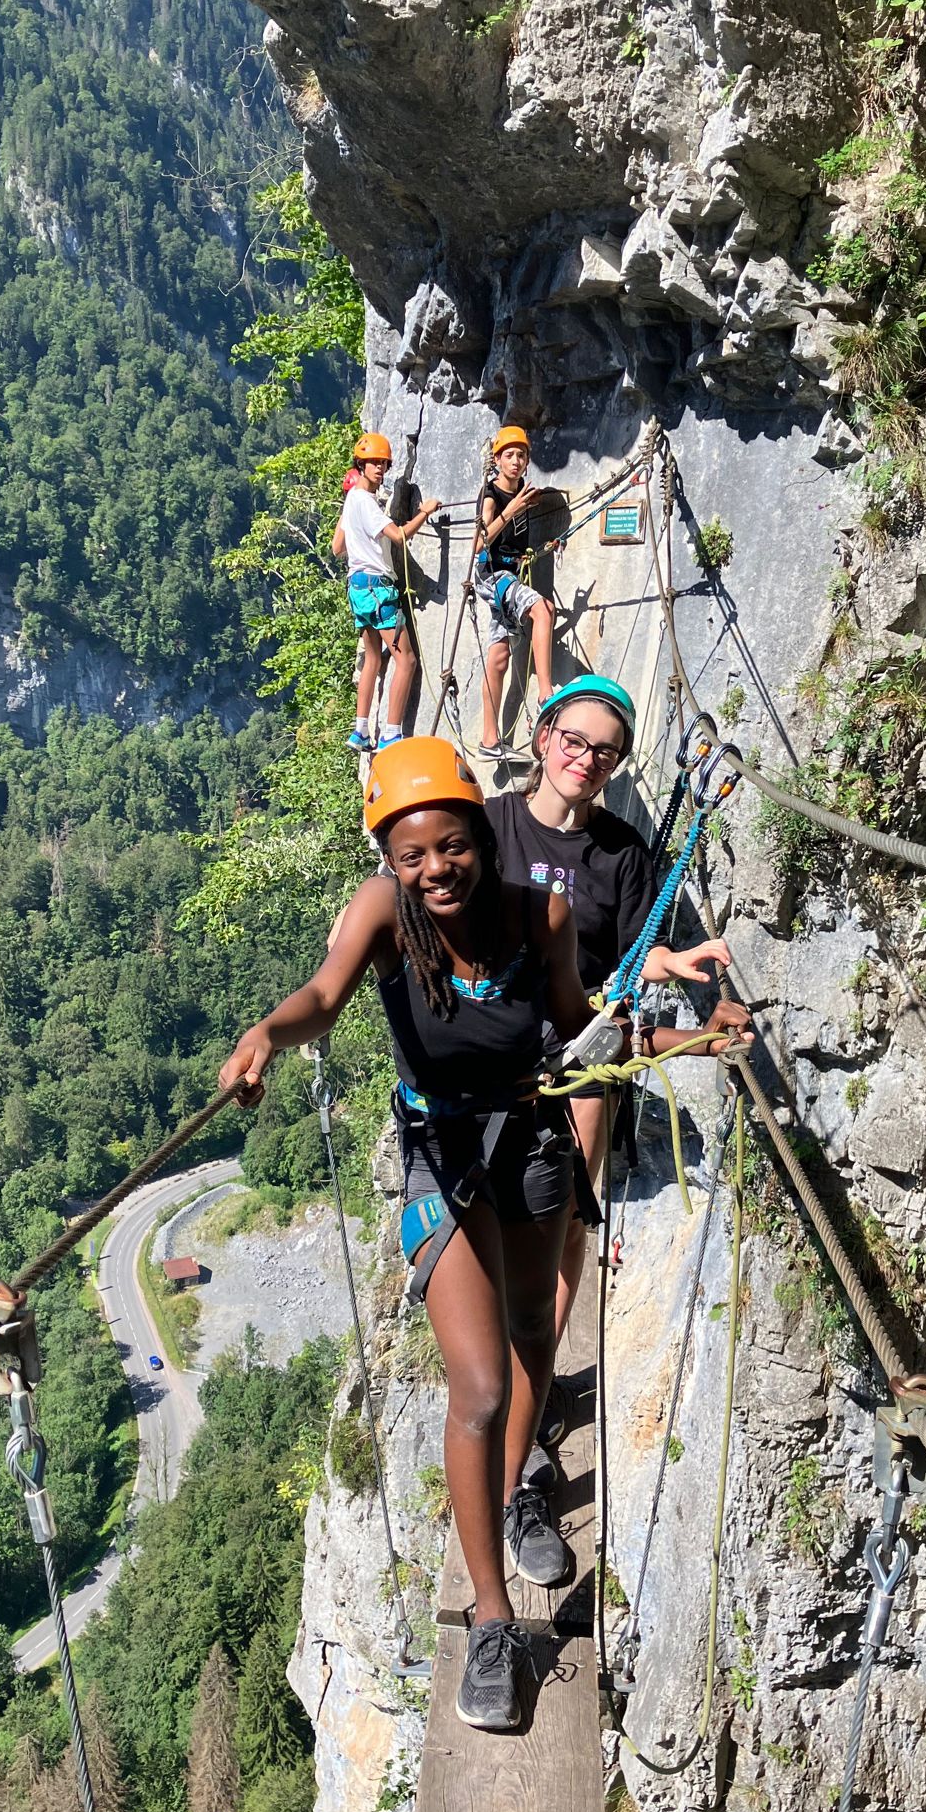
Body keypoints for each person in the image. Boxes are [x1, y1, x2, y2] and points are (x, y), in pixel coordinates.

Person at [217, 738, 748, 1732]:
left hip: (533, 1134)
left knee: (538, 1338)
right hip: (441, 1148)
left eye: (452, 845)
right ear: (390, 858)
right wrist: (266, 1037)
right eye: (412, 853)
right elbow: (324, 995)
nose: (435, 869)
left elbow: (579, 1028)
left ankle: (514, 1489)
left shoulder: (539, 911)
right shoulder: (385, 914)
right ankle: (495, 1618)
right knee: (486, 1382)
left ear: (480, 837)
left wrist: (691, 1037)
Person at [486, 675, 737, 1457]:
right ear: (543, 738)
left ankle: (529, 1401)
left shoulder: (623, 853)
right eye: (575, 742)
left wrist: (680, 962)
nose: (587, 760)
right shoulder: (489, 826)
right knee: (498, 1228)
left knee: (565, 1228)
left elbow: (636, 951)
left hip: (582, 1043)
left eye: (606, 751)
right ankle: (502, 1383)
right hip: (494, 1044)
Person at [338, 432, 441, 754]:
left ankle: (360, 731)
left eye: (383, 463)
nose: (380, 469)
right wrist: (425, 512)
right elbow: (398, 536)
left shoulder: (351, 500)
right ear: (361, 464)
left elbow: (337, 547)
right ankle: (391, 735)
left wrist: (359, 540)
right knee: (406, 660)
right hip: (378, 590)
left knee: (372, 659)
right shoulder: (366, 503)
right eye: (373, 463)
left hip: (357, 588)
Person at [474, 424, 556, 759]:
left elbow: (512, 539)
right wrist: (511, 510)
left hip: (508, 570)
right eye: (509, 455)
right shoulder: (492, 495)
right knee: (543, 609)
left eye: (521, 455)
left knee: (498, 658)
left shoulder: (523, 489)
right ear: (497, 459)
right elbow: (480, 542)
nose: (516, 461)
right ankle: (545, 693)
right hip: (492, 576)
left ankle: (489, 741)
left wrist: (528, 551)